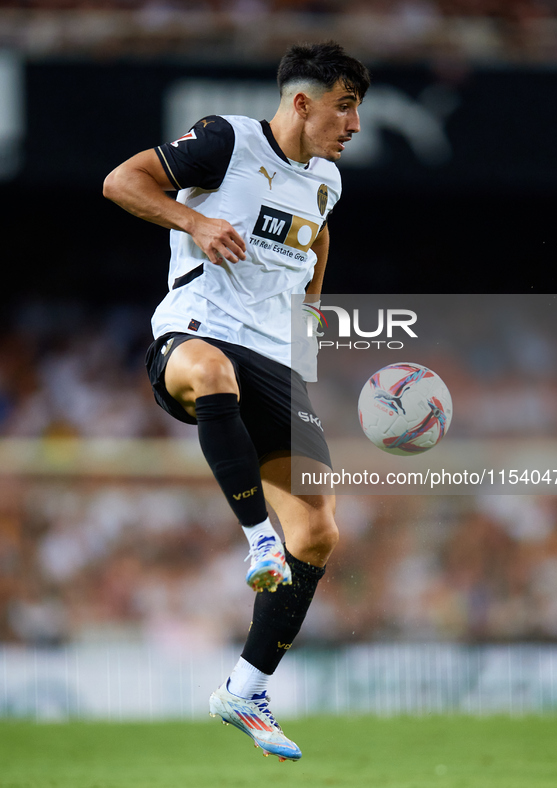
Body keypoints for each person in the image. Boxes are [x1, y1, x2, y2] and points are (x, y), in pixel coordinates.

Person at [103, 41, 370, 762]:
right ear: (302, 102)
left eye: (357, 111)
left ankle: (245, 688)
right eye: (344, 107)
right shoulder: (226, 140)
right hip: (196, 333)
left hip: (275, 356)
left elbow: (314, 246)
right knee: (211, 372)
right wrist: (194, 222)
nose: (352, 125)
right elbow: (120, 182)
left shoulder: (325, 183)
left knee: (317, 534)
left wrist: (307, 335)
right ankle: (256, 540)